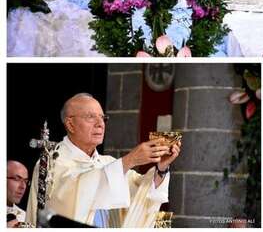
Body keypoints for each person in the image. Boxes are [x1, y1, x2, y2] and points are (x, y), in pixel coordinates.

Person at [26, 93, 178, 227]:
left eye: (102, 117)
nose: (100, 124)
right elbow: (69, 197)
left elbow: (142, 191)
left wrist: (161, 168)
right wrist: (129, 160)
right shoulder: (50, 164)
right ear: (70, 124)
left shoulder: (108, 164)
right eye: (90, 117)